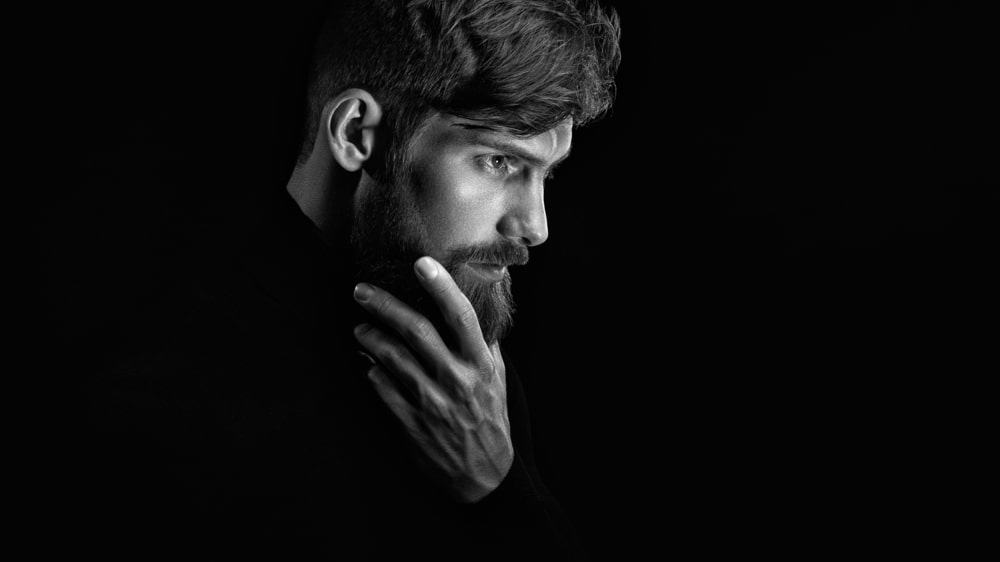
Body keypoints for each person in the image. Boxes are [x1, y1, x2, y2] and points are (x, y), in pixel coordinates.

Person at [81, 0, 620, 559]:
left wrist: (499, 489)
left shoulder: (465, 360)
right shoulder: (161, 401)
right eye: (499, 162)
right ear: (356, 132)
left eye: (545, 176)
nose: (535, 227)